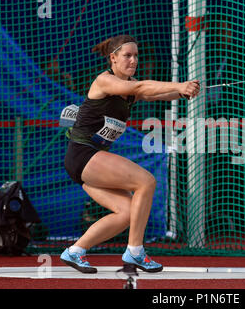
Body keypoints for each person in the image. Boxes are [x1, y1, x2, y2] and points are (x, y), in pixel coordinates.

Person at [60, 34, 200, 273]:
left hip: (88, 163)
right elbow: (140, 87)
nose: (133, 60)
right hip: (83, 155)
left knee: (126, 213)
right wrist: (178, 85)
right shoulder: (105, 81)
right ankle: (135, 251)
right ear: (113, 58)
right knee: (146, 181)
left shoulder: (129, 89)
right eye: (127, 55)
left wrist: (183, 92)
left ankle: (75, 251)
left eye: (136, 56)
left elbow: (150, 92)